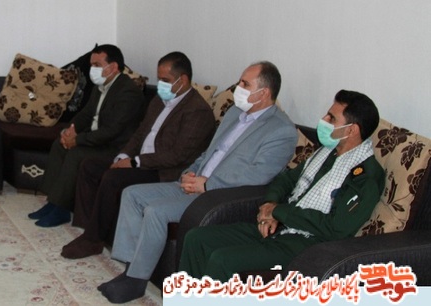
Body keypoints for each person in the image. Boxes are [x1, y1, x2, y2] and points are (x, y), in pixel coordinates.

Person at [98, 61, 298, 303]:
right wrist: (190, 172)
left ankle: (136, 282)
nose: (238, 88)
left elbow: (258, 176)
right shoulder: (234, 113)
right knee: (132, 194)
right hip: (195, 183)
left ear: (264, 93)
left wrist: (207, 185)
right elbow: (209, 153)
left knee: (156, 211)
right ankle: (130, 268)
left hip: (218, 196)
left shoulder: (281, 130)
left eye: (245, 84)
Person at [178, 90, 384, 281]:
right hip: (280, 226)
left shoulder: (366, 176)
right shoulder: (327, 152)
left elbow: (335, 228)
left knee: (222, 259)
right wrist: (270, 205)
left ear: (351, 130)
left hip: (307, 243)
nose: (324, 120)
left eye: (332, 118)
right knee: (197, 238)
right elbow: (286, 180)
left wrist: (279, 212)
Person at [61, 51, 216, 259]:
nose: (160, 85)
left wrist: (134, 162)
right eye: (159, 79)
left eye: (165, 80)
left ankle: (93, 240)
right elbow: (141, 133)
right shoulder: (159, 100)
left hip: (164, 171)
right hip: (141, 161)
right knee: (90, 166)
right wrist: (122, 156)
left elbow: (177, 155)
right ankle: (90, 228)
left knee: (113, 178)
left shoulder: (197, 111)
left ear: (183, 80)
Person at [29, 44, 145, 228]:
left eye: (97, 65)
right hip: (97, 139)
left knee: (76, 153)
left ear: (113, 67)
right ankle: (52, 202)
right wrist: (70, 131)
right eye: (92, 65)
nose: (93, 69)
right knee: (59, 145)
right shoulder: (101, 86)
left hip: (115, 146)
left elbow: (111, 131)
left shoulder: (128, 92)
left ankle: (61, 210)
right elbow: (86, 114)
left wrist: (77, 140)